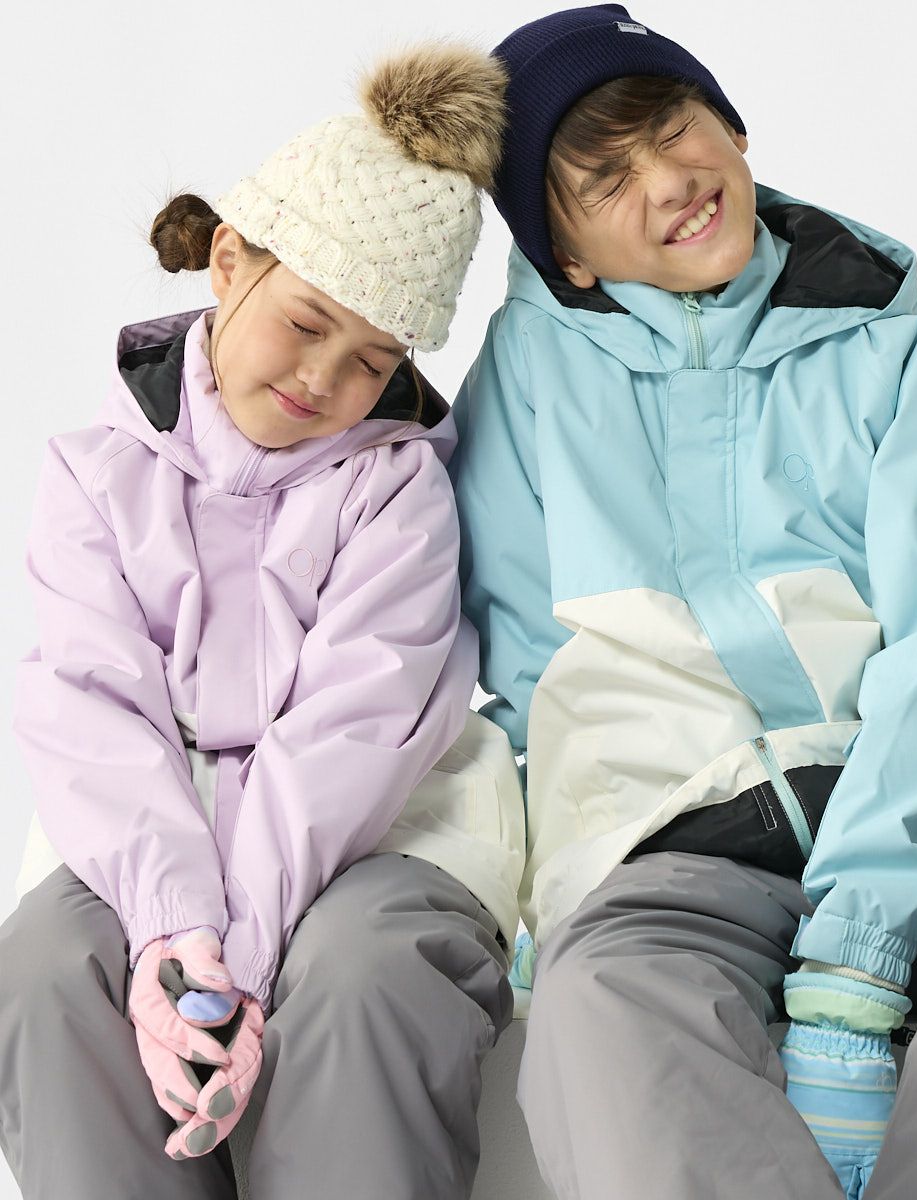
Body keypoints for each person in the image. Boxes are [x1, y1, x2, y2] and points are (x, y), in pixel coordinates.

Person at [450, 6, 917, 1198]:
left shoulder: (885, 350)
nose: (668, 181)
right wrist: (552, 879)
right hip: (677, 827)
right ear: (564, 253)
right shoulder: (524, 386)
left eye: (674, 127)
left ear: (733, 131)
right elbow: (535, 671)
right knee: (601, 1002)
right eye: (605, 180)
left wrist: (859, 956)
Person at [0, 42, 524, 1200]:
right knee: (46, 969)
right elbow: (92, 706)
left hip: (375, 833)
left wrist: (224, 963)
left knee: (361, 973)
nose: (325, 379)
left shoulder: (394, 487)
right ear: (230, 262)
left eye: (373, 359)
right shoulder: (92, 477)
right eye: (305, 323)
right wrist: (173, 929)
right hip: (146, 832)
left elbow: (353, 731)